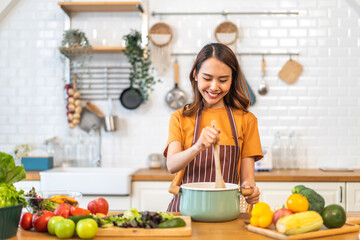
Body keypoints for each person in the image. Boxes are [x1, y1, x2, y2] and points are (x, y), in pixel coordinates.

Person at [164, 43, 263, 212]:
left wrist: (250, 190)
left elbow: (248, 179)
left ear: (232, 79)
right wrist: (198, 147)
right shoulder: (180, 118)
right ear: (195, 75)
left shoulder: (247, 120)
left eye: (223, 80)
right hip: (184, 211)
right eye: (207, 78)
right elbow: (172, 165)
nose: (214, 87)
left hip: (225, 211)